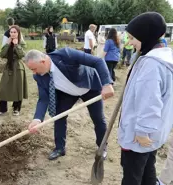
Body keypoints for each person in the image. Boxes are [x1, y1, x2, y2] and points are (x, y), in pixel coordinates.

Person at [24, 48, 114, 160]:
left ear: (43, 62)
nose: (34, 72)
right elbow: (43, 98)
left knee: (98, 118)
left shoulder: (65, 55)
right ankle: (59, 148)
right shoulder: (39, 76)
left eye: (34, 69)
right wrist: (37, 119)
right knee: (59, 116)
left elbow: (98, 61)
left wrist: (107, 84)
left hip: (89, 87)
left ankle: (102, 147)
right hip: (68, 93)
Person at [117, 12, 173, 185]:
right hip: (154, 133)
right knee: (148, 170)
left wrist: (142, 131)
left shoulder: (151, 64)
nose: (129, 42)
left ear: (146, 36)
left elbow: (149, 101)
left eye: (133, 37)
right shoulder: (162, 58)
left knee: (132, 176)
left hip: (139, 135)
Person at [0, 25, 27, 116]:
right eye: (11, 32)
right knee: (4, 87)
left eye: (14, 32)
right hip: (8, 66)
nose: (12, 34)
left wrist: (16, 45)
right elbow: (2, 55)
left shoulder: (22, 43)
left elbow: (21, 55)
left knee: (18, 88)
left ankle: (16, 108)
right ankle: (2, 108)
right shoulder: (7, 42)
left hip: (18, 67)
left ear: (18, 33)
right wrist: (7, 44)